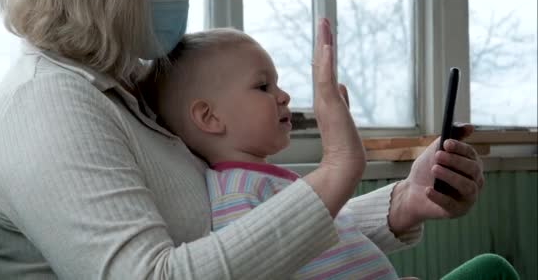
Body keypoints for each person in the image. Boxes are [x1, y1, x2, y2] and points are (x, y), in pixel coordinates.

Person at [0, 0, 486, 279]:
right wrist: (336, 170)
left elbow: (247, 234)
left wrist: (402, 204)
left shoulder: (121, 92)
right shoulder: (47, 104)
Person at [145, 28, 520, 280]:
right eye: (262, 86)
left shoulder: (274, 182)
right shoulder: (234, 193)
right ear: (209, 117)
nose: (283, 95)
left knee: (492, 268)